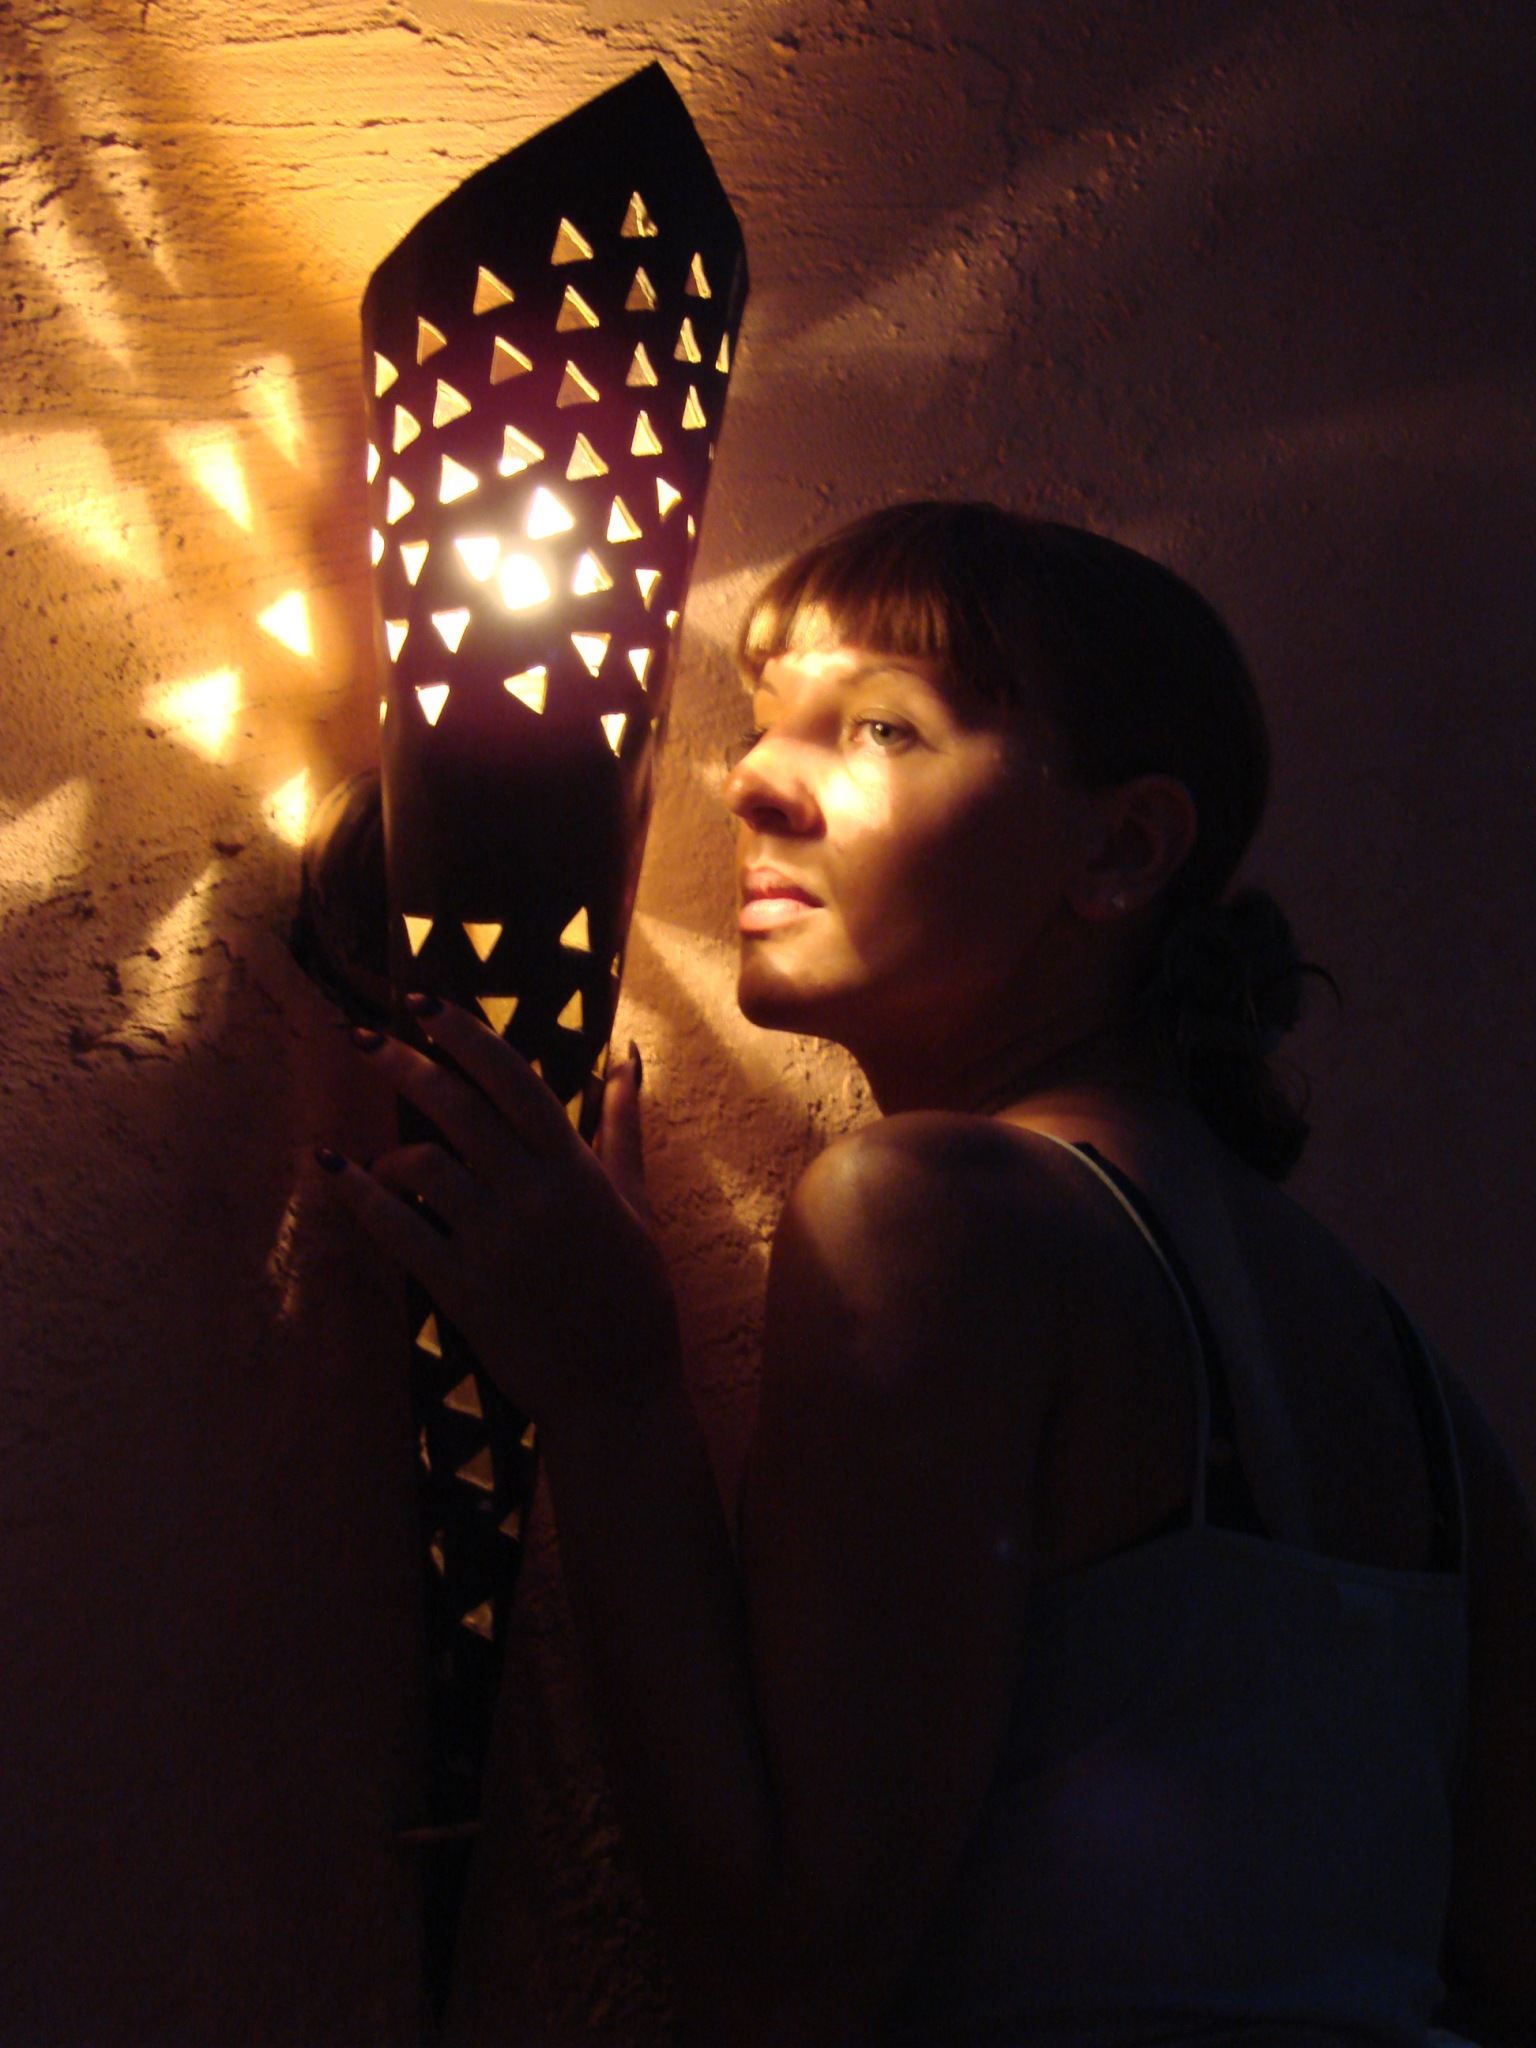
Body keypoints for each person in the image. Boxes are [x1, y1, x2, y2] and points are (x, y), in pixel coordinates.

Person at [321, 502, 1536, 2046]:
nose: (752, 783)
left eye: (880, 727)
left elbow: (786, 1979)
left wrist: (614, 1397)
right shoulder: (1417, 1385)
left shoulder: (935, 1213)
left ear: (1121, 850)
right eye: (764, 725)